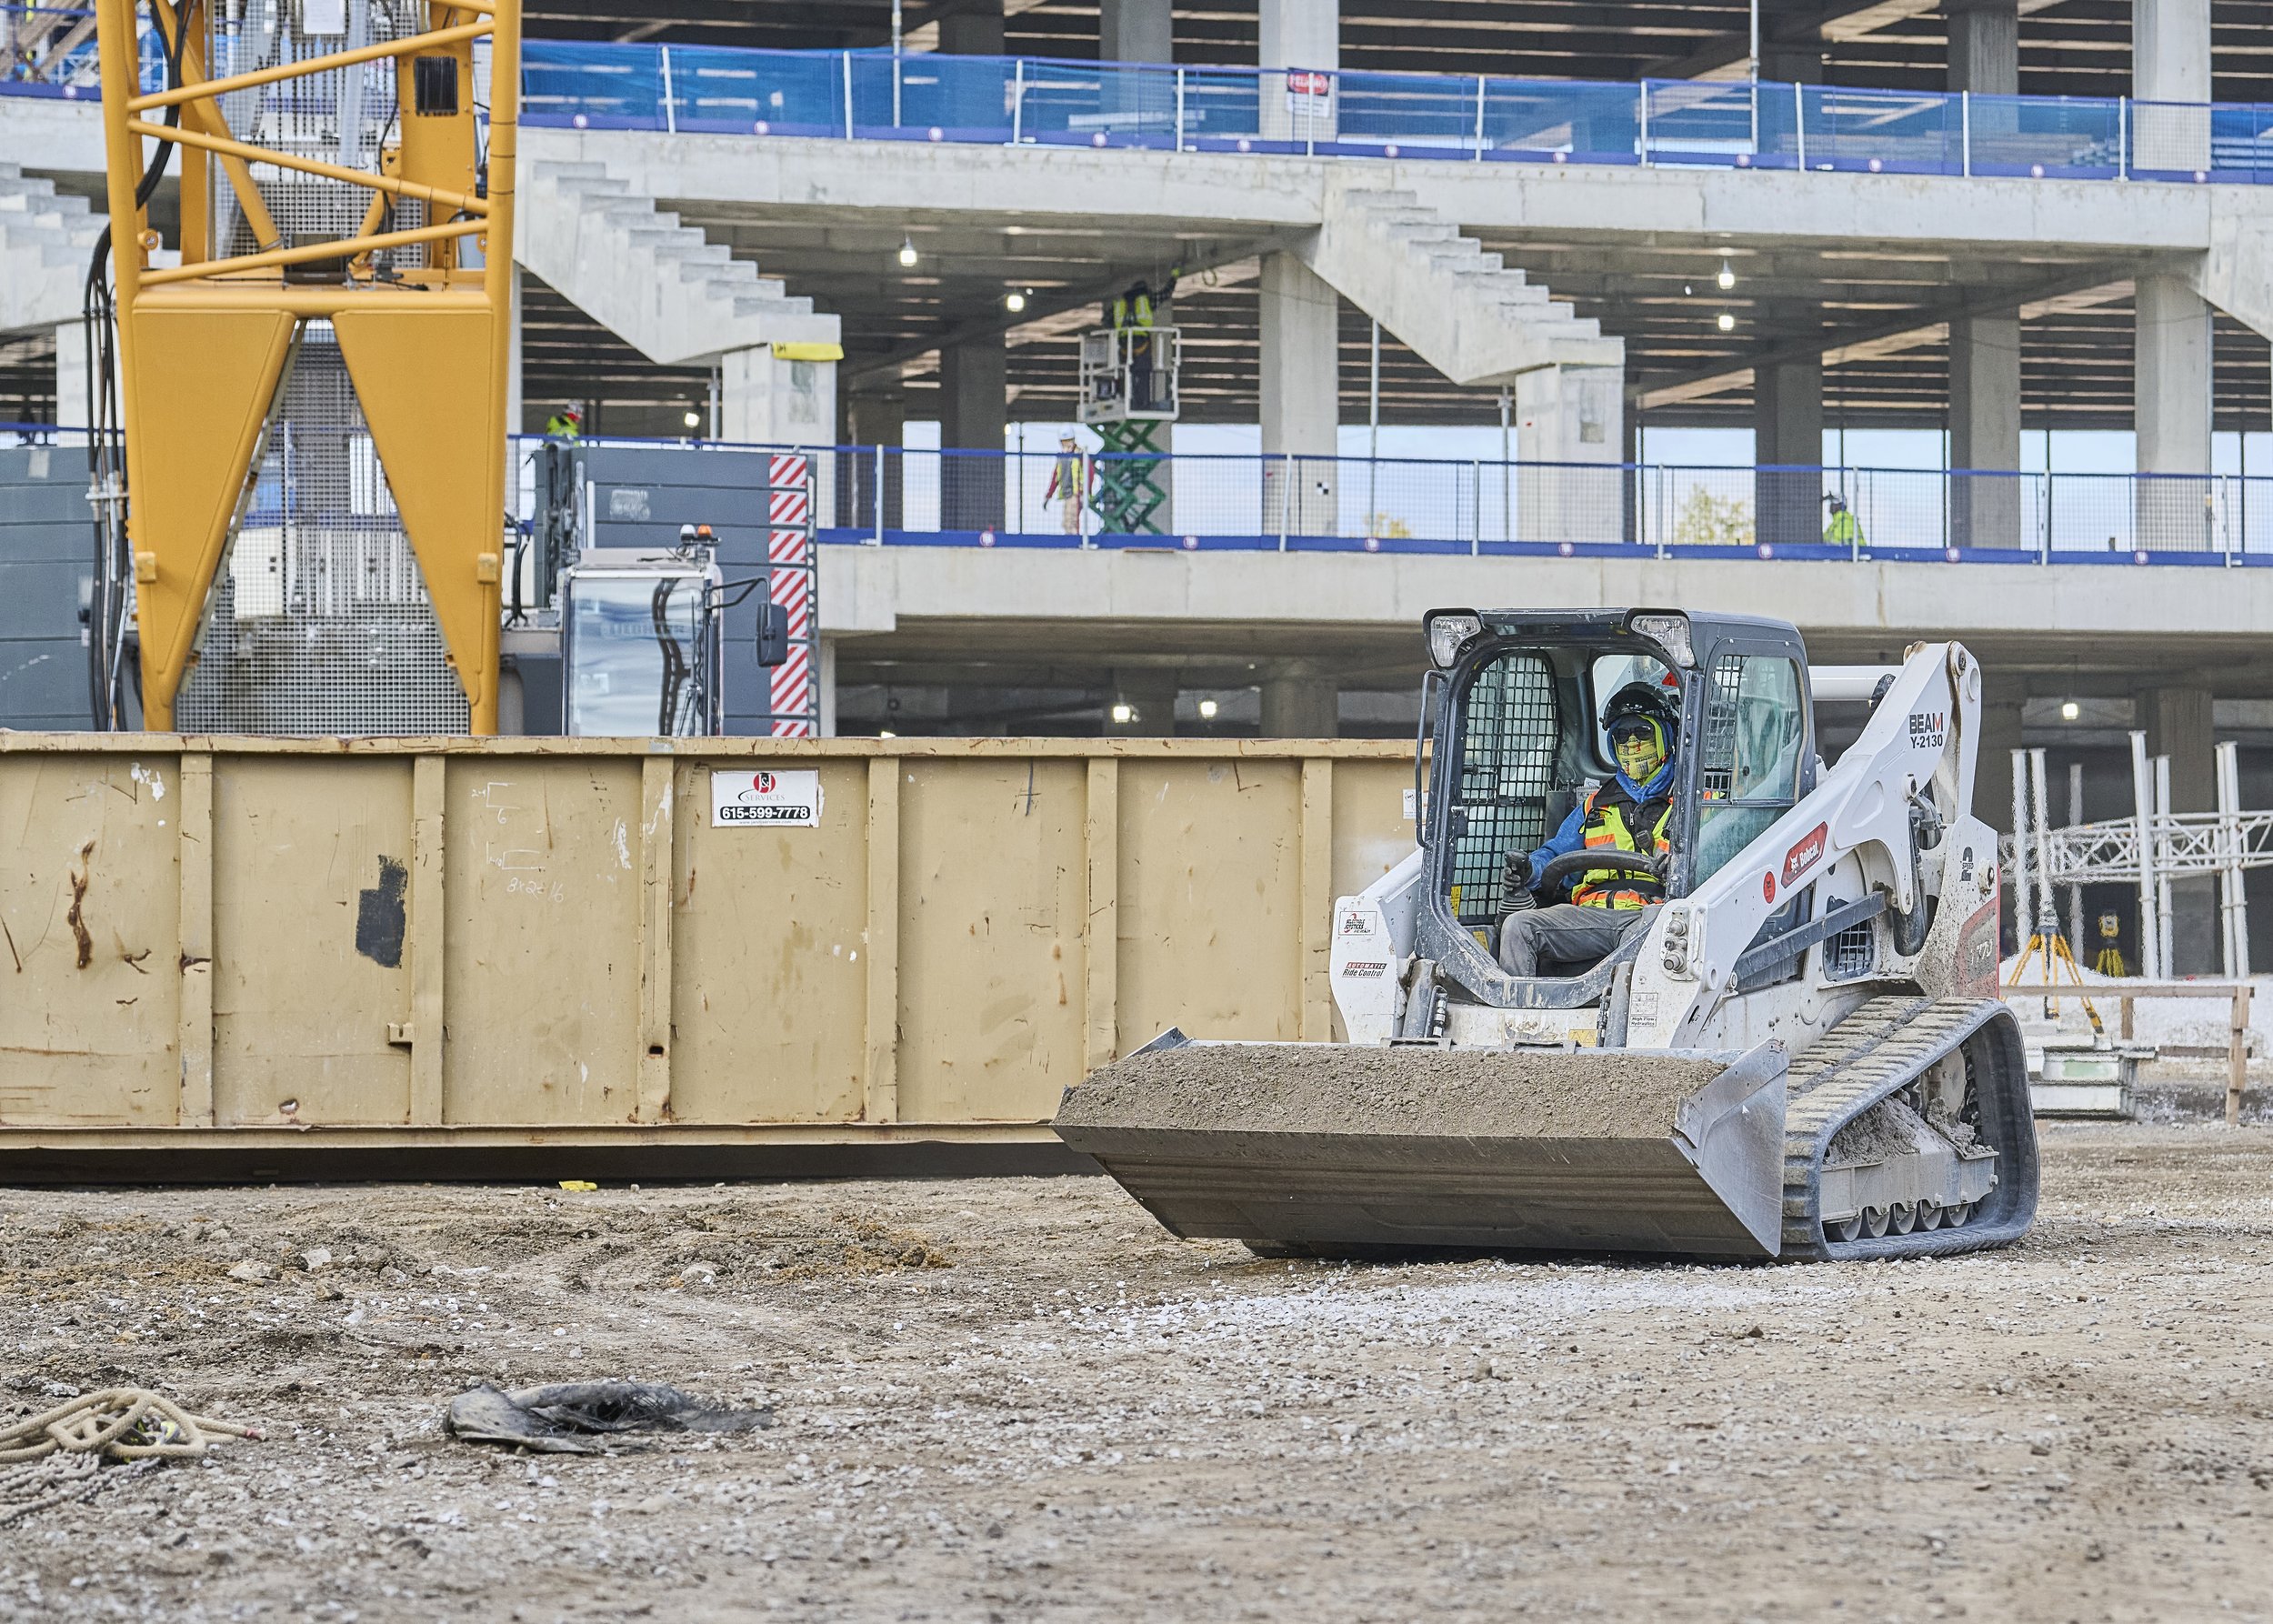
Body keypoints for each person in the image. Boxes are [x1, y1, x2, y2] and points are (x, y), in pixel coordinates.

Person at [1496, 680, 1680, 978]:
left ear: (1665, 736)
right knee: (1518, 927)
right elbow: (1556, 854)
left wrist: (1680, 868)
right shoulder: (1593, 806)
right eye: (1623, 734)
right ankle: (1516, 1019)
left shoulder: (1692, 803)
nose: (1632, 743)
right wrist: (1530, 870)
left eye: (1642, 733)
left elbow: (1713, 869)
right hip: (1590, 915)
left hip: (1652, 916)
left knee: (1643, 942)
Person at [1043, 434, 1086, 534]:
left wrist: (1083, 493)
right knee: (1067, 521)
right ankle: (1069, 540)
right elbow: (1056, 477)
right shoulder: (1062, 457)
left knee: (1072, 519)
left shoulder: (1080, 454)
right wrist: (1049, 495)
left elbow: (1087, 475)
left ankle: (1074, 541)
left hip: (1076, 493)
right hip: (1067, 494)